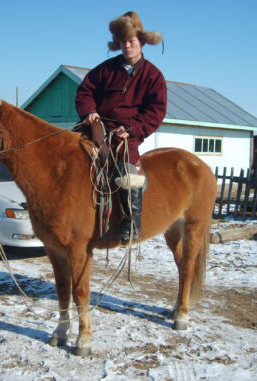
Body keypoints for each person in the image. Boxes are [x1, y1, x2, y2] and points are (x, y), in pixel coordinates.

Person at [75, 11, 167, 241]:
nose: (127, 46)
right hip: (97, 127)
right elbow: (85, 91)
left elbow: (156, 111)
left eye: (131, 41)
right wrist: (89, 111)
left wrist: (133, 129)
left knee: (128, 174)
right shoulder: (105, 69)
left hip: (126, 135)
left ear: (141, 42)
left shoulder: (153, 76)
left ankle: (130, 222)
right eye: (123, 42)